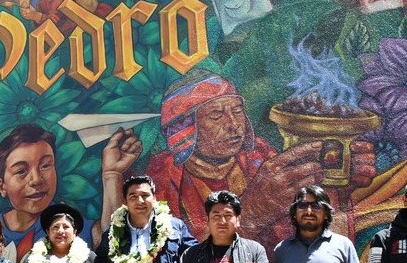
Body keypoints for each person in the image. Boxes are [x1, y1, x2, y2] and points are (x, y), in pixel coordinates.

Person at [144, 70, 375, 251]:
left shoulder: (260, 158)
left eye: (237, 112)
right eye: (216, 115)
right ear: (185, 129)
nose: (233, 125)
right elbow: (171, 260)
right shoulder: (160, 178)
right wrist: (250, 213)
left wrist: (334, 187)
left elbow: (304, 237)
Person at [0, 123, 139, 262]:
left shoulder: (65, 221)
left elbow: (109, 241)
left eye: (45, 165)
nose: (36, 180)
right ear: (1, 186)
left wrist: (112, 174)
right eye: (21, 171)